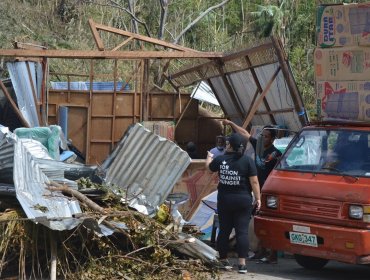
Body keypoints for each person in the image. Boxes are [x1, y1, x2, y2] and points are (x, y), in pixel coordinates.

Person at [222, 119, 282, 264]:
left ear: (273, 138)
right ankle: (261, 250)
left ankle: (273, 254)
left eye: (266, 136)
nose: (263, 138)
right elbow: (244, 134)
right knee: (259, 222)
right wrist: (231, 123)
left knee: (270, 223)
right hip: (257, 191)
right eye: (262, 135)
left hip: (268, 192)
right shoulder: (259, 146)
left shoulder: (276, 154)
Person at [206, 133, 261, 274]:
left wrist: (208, 158)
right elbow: (254, 181)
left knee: (224, 230)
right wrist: (258, 199)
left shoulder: (220, 159)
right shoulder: (248, 161)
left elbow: (209, 168)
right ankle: (242, 265)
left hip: (225, 200)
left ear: (230, 145)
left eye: (228, 143)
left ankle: (223, 260)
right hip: (243, 201)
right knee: (242, 232)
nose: (226, 145)